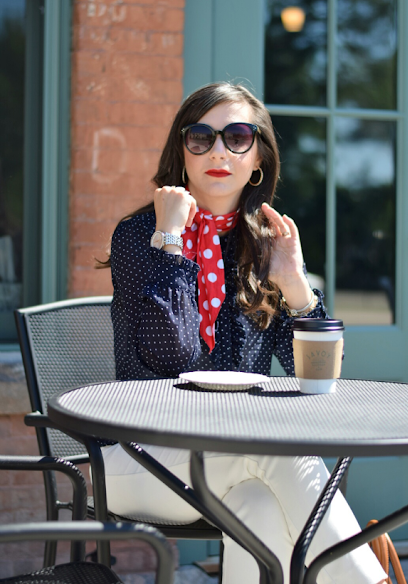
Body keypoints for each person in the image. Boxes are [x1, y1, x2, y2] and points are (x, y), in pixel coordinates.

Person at [99, 82, 386, 584]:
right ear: (181, 153)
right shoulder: (138, 236)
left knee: (258, 505)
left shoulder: (262, 246)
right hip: (141, 456)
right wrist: (170, 242)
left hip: (233, 463)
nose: (217, 151)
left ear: (257, 160)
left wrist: (295, 286)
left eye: (236, 137)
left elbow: (316, 375)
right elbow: (174, 359)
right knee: (275, 452)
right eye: (200, 137)